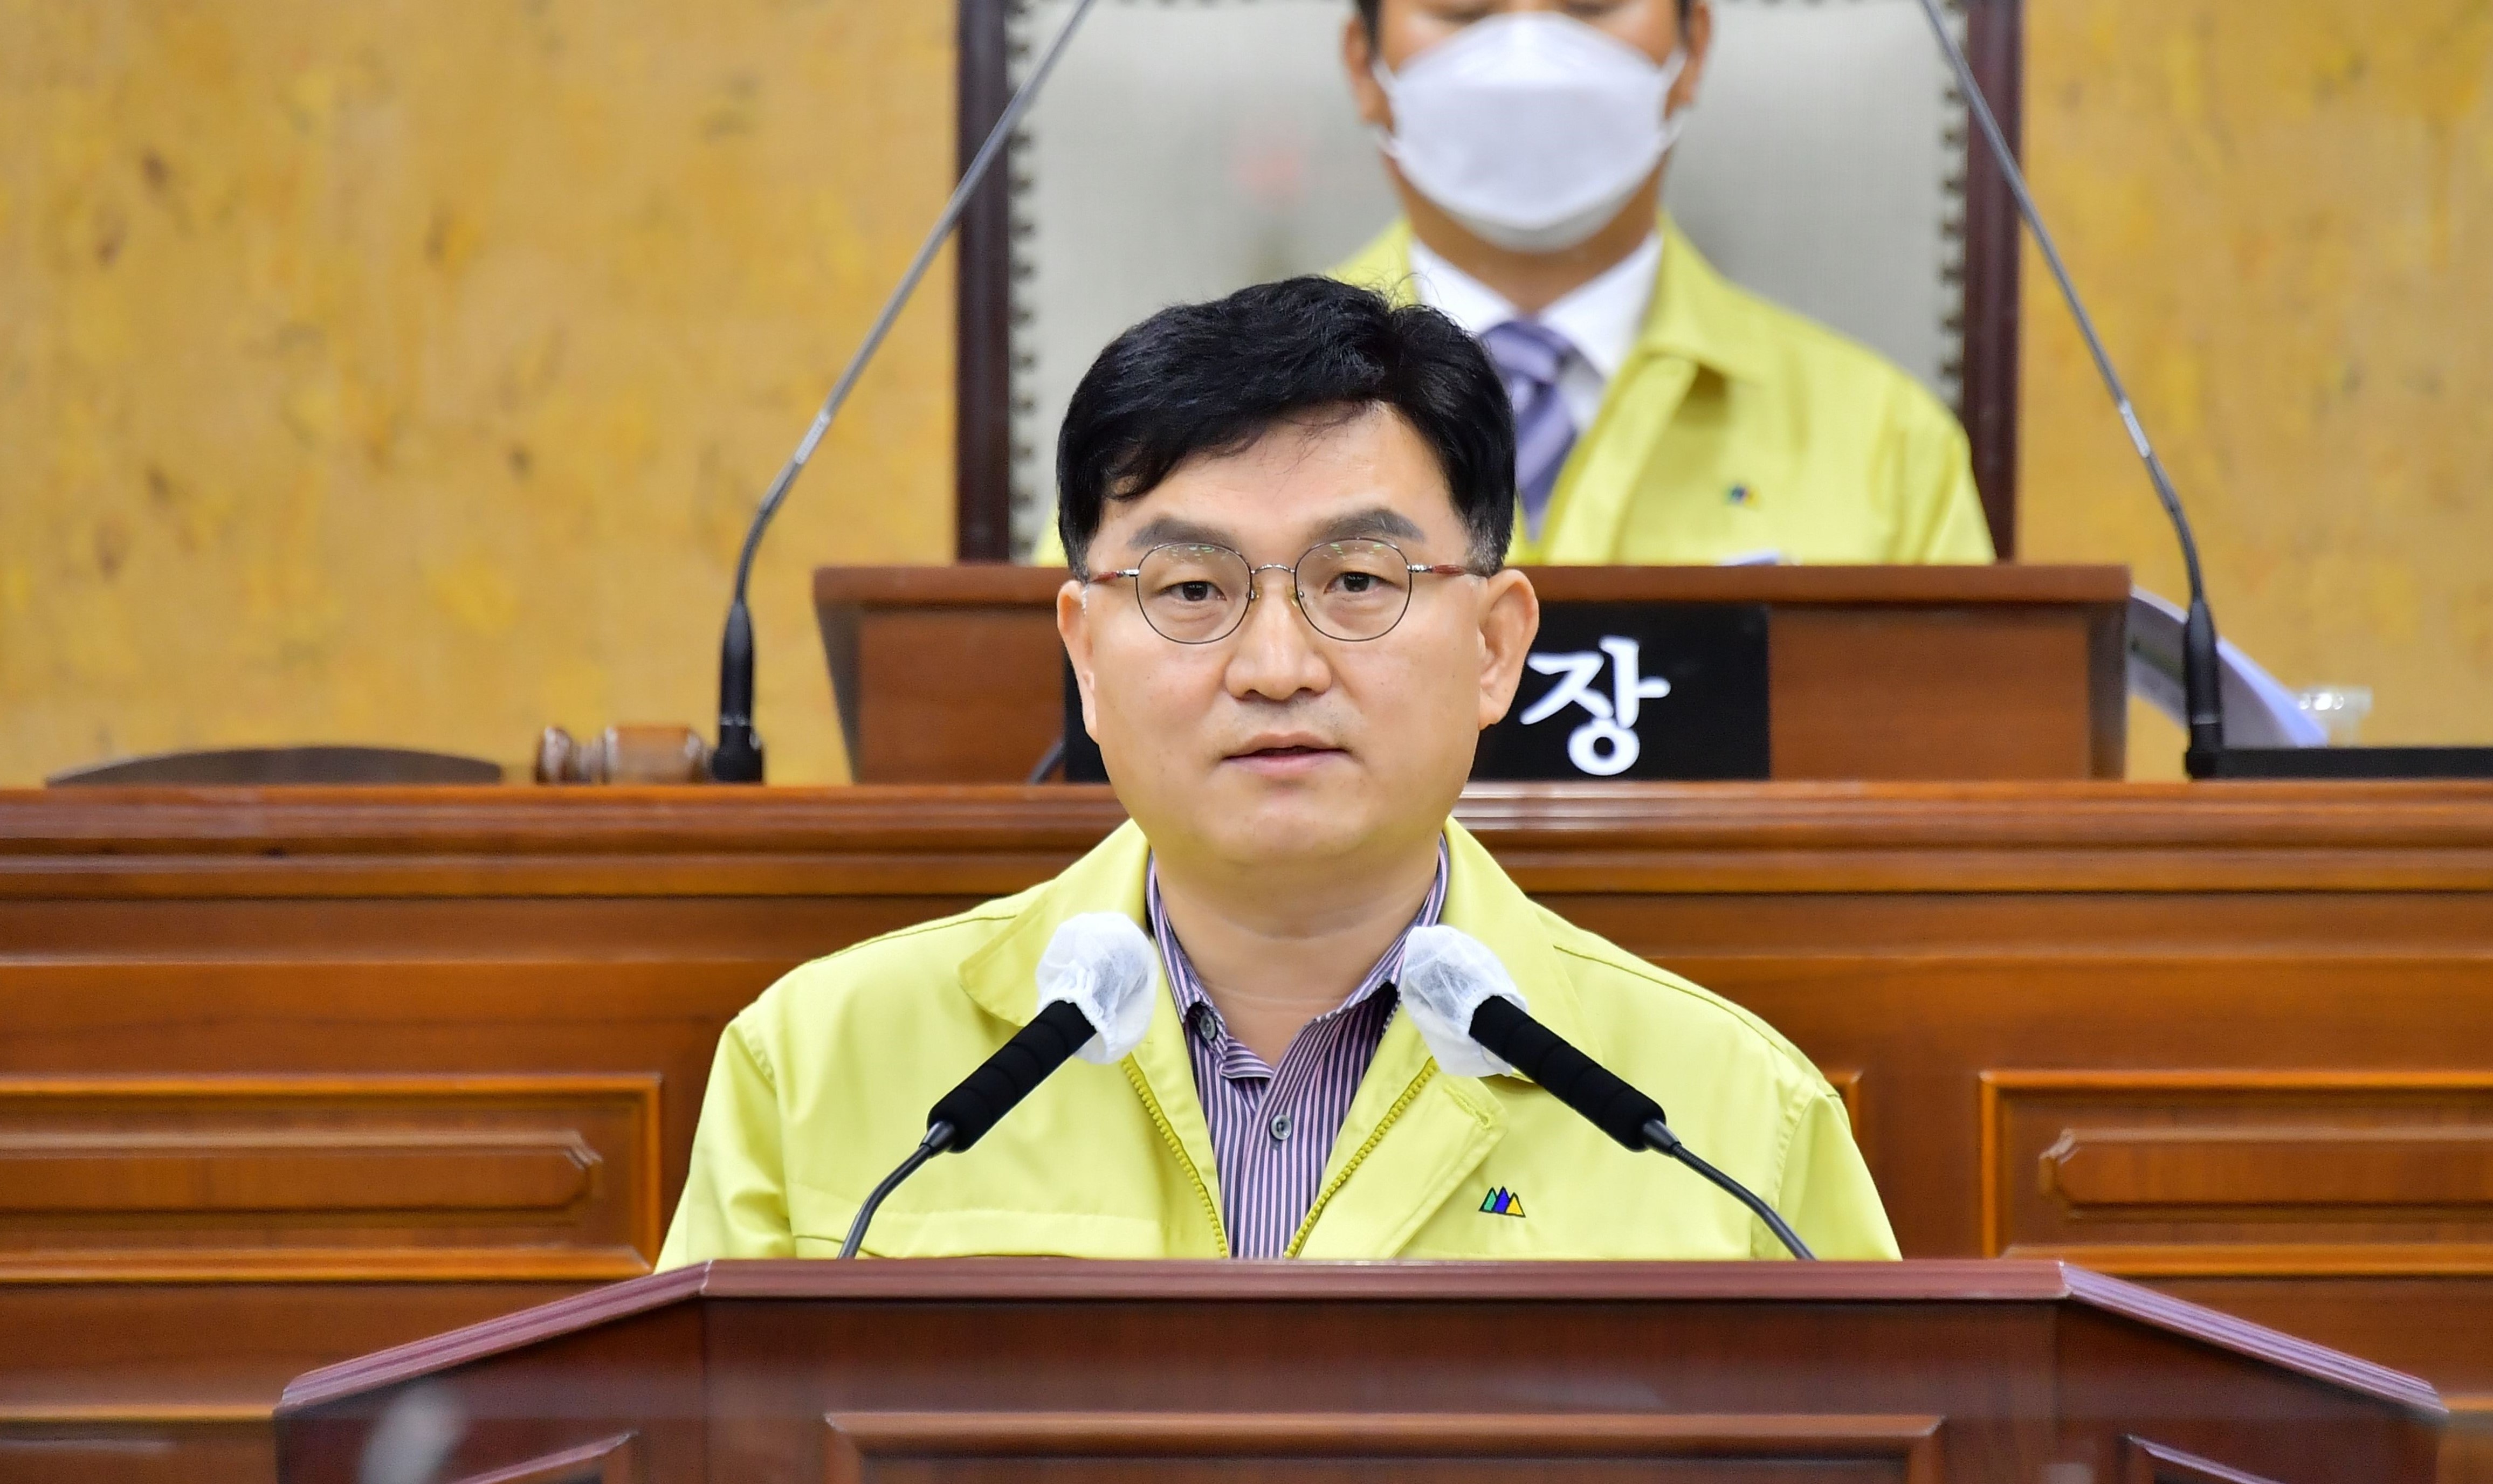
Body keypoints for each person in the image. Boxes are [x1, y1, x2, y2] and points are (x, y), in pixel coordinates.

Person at [662, 278, 1894, 1265]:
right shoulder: (820, 1067)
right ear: (1086, 656)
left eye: (1357, 582)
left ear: (1495, 644)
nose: (1274, 663)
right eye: (1191, 589)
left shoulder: (1725, 1118)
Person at [1335, 0, 1994, 566]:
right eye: (1464, 10)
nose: (1527, 64)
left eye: (1592, 5)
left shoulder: (1885, 443)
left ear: (1693, 47)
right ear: (1366, 64)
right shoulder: (1238, 415)